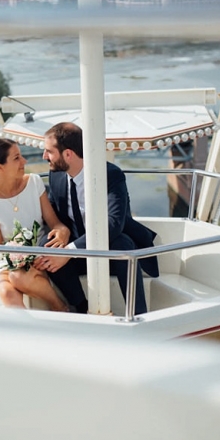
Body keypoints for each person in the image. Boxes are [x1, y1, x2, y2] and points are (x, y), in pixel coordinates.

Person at [34, 122, 159, 315]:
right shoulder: (57, 175)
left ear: (68, 154)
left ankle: (138, 313)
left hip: (109, 252)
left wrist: (70, 251)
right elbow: (52, 212)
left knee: (123, 244)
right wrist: (60, 232)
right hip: (78, 252)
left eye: (49, 151)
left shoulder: (110, 175)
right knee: (47, 245)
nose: (44, 156)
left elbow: (114, 223)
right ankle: (82, 308)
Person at [0, 137, 71, 311]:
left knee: (19, 277)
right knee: (7, 291)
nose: (24, 161)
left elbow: (55, 224)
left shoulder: (34, 182)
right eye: (17, 158)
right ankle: (47, 316)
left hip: (39, 254)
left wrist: (63, 231)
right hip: (6, 260)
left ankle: (59, 307)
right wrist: (17, 257)